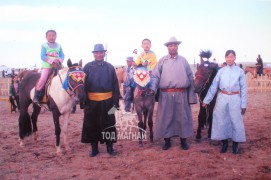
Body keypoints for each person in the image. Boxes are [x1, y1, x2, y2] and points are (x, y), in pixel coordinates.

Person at [150, 36, 197, 151]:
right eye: (170, 45)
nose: (173, 47)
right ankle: (167, 141)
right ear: (167, 47)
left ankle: (183, 140)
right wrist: (152, 88)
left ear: (177, 47)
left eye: (175, 45)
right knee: (166, 117)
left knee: (182, 117)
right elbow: (155, 76)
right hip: (166, 95)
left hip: (181, 94)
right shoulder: (162, 60)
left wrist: (191, 96)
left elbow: (190, 77)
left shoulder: (183, 60)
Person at [202, 50, 247, 154]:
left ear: (235, 58)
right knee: (222, 120)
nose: (229, 59)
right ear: (225, 58)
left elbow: (244, 89)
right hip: (222, 97)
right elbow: (214, 86)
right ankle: (224, 142)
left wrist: (243, 104)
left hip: (235, 98)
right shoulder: (221, 71)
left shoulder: (239, 71)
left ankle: (236, 143)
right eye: (227, 57)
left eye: (231, 57)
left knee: (235, 120)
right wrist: (206, 100)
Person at [81, 44, 120, 157]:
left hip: (108, 103)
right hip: (91, 103)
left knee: (109, 124)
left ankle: (110, 147)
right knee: (92, 125)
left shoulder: (110, 67)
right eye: (97, 52)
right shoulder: (87, 67)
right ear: (93, 54)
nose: (99, 54)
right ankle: (94, 148)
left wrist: (115, 105)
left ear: (104, 53)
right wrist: (84, 102)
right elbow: (82, 85)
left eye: (101, 52)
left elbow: (115, 87)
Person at [33, 30, 65, 104]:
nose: (51, 37)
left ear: (56, 36)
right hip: (47, 65)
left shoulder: (59, 45)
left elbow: (62, 55)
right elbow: (42, 56)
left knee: (65, 76)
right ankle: (37, 95)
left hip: (58, 65)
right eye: (49, 35)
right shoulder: (44, 45)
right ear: (46, 37)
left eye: (53, 35)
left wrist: (59, 60)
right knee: (43, 78)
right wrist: (51, 61)